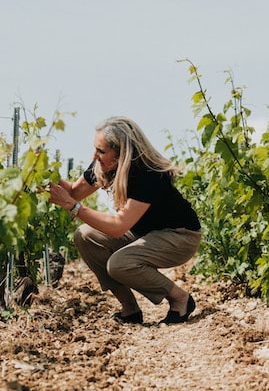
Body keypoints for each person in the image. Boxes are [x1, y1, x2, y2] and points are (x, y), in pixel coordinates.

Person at [46, 116, 201, 325]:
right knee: (84, 235)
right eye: (95, 149)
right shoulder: (104, 166)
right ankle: (130, 310)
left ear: (121, 155)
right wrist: (45, 174)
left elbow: (118, 227)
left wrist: (72, 207)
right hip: (143, 232)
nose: (95, 156)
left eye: (101, 151)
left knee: (119, 264)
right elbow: (74, 192)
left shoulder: (146, 175)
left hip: (179, 236)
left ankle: (179, 298)